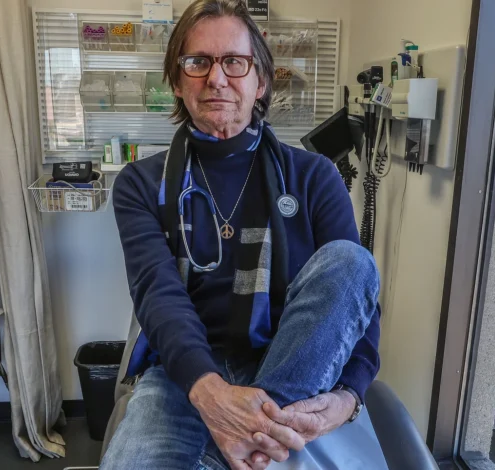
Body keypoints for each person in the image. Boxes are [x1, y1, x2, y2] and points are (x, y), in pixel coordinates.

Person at [102, 1, 381, 469]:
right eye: (198, 62)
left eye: (234, 61)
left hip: (291, 362)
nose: (216, 78)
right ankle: (257, 442)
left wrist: (349, 396)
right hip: (184, 374)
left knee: (352, 262)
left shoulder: (314, 176)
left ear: (261, 81)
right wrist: (210, 394)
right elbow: (157, 294)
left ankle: (252, 437)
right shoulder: (141, 184)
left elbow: (356, 300)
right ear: (177, 81)